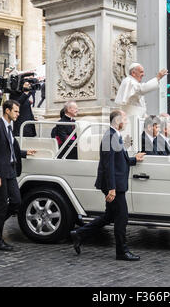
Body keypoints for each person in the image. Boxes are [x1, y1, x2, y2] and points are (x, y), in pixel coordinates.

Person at [70, 110, 146, 261]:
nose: (126, 121)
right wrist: (112, 188)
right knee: (122, 217)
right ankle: (121, 252)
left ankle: (79, 234)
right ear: (118, 120)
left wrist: (134, 159)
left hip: (116, 184)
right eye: (124, 118)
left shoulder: (115, 136)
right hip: (114, 185)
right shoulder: (109, 137)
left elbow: (118, 161)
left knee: (109, 216)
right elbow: (108, 165)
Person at [0, 100, 36, 251]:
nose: (18, 114)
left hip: (10, 171)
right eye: (16, 111)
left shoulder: (9, 127)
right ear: (7, 111)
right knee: (1, 206)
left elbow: (10, 148)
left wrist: (25, 153)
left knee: (16, 202)